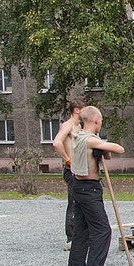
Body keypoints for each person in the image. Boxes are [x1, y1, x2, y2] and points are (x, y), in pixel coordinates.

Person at [68, 106, 125, 266]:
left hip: (77, 186)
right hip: (88, 187)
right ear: (96, 121)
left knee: (82, 228)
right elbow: (119, 149)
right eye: (101, 122)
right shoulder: (89, 139)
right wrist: (103, 144)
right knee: (102, 229)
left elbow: (106, 156)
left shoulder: (77, 135)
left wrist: (102, 148)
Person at [52, 98, 86, 251]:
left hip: (82, 170)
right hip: (71, 170)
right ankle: (71, 238)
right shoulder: (68, 125)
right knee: (73, 202)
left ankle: (82, 236)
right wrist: (68, 159)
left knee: (83, 203)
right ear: (77, 110)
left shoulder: (80, 126)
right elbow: (56, 143)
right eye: (84, 109)